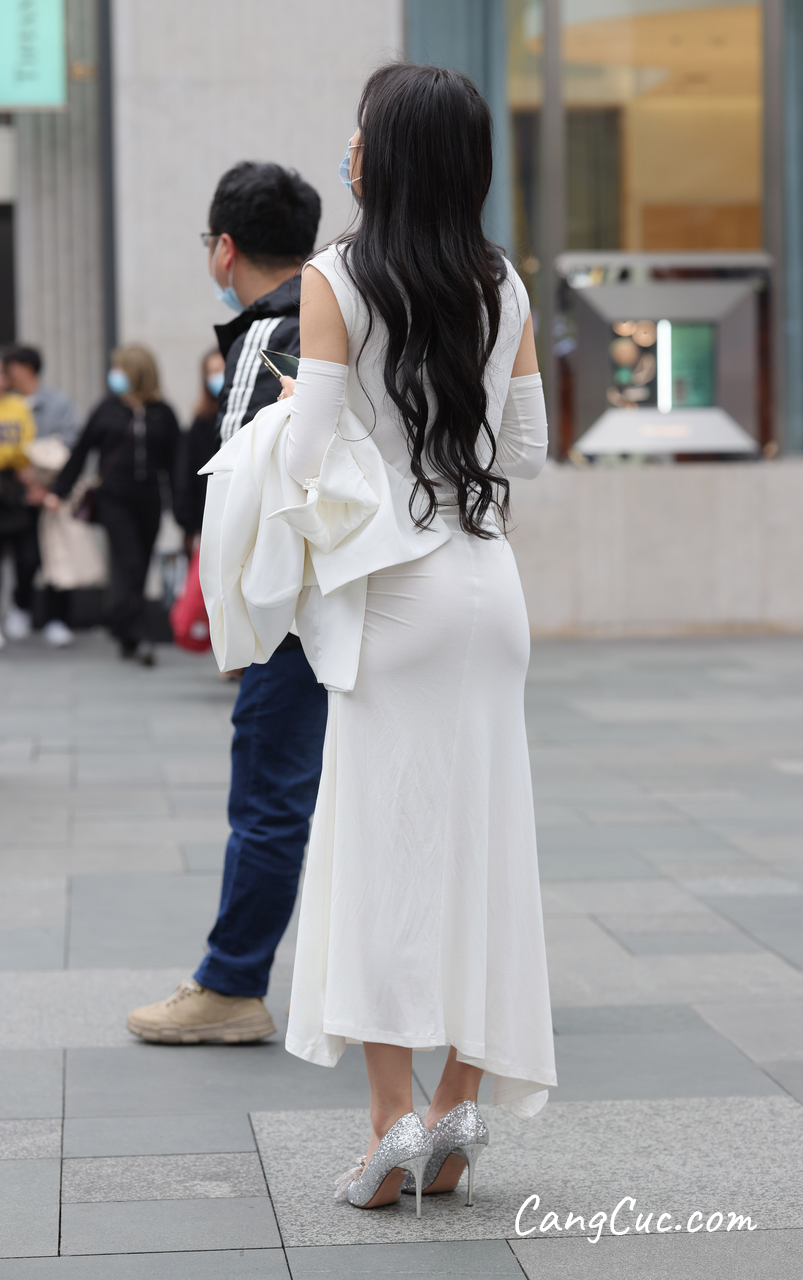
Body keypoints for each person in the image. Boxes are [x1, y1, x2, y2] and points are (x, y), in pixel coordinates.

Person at [275, 63, 556, 1214]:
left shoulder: (334, 277)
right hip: (488, 584)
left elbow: (305, 458)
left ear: (383, 153)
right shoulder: (502, 282)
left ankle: (390, 1118)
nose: (348, 143)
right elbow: (525, 450)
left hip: (393, 592)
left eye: (361, 129)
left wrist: (309, 421)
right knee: (486, 842)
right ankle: (459, 1101)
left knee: (380, 851)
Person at [126, 162, 328, 1042]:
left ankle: (232, 986)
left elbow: (241, 488)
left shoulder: (268, 333)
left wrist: (236, 620)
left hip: (297, 611)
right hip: (377, 592)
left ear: (225, 248)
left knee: (271, 793)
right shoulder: (340, 314)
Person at [49, 345, 180, 666]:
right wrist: (59, 490)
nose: (115, 375)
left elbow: (176, 463)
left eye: (121, 368)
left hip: (149, 498)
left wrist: (183, 507)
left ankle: (124, 629)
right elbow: (82, 450)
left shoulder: (163, 412)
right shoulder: (108, 409)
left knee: (140, 565)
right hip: (113, 499)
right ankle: (141, 635)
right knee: (130, 562)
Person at [4, 344, 82, 647]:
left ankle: (57, 618)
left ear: (26, 369)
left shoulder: (58, 403)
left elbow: (70, 444)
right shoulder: (7, 403)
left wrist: (48, 484)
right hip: (18, 493)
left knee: (59, 556)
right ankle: (21, 605)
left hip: (53, 493)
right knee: (27, 557)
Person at [0, 352, 36, 652]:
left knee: (28, 556)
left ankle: (21, 607)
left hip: (14, 486)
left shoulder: (18, 405)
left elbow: (27, 446)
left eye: (0, 374)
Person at [172, 349, 225, 546]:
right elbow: (187, 473)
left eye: (221, 370)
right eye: (212, 372)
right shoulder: (201, 422)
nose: (218, 377)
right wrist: (189, 524)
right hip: (206, 518)